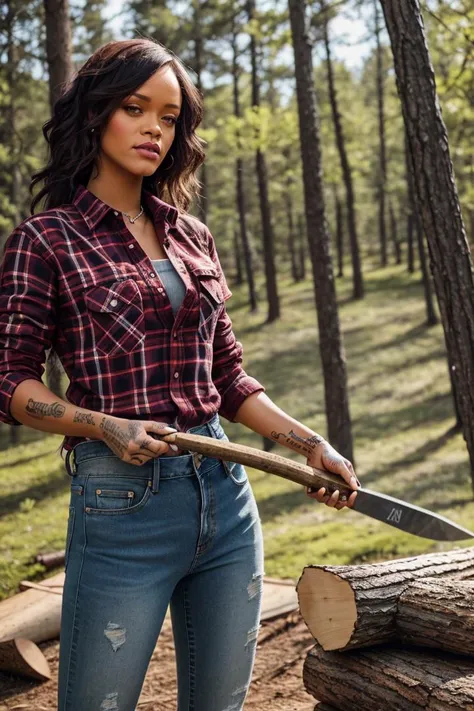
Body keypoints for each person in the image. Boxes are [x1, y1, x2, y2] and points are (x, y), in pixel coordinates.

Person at [0, 38, 360, 711]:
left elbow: (229, 378)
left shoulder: (192, 236)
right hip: (120, 507)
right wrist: (101, 425)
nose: (153, 130)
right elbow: (10, 382)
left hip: (226, 502)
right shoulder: (46, 240)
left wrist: (311, 443)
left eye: (168, 117)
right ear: (95, 115)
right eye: (135, 108)